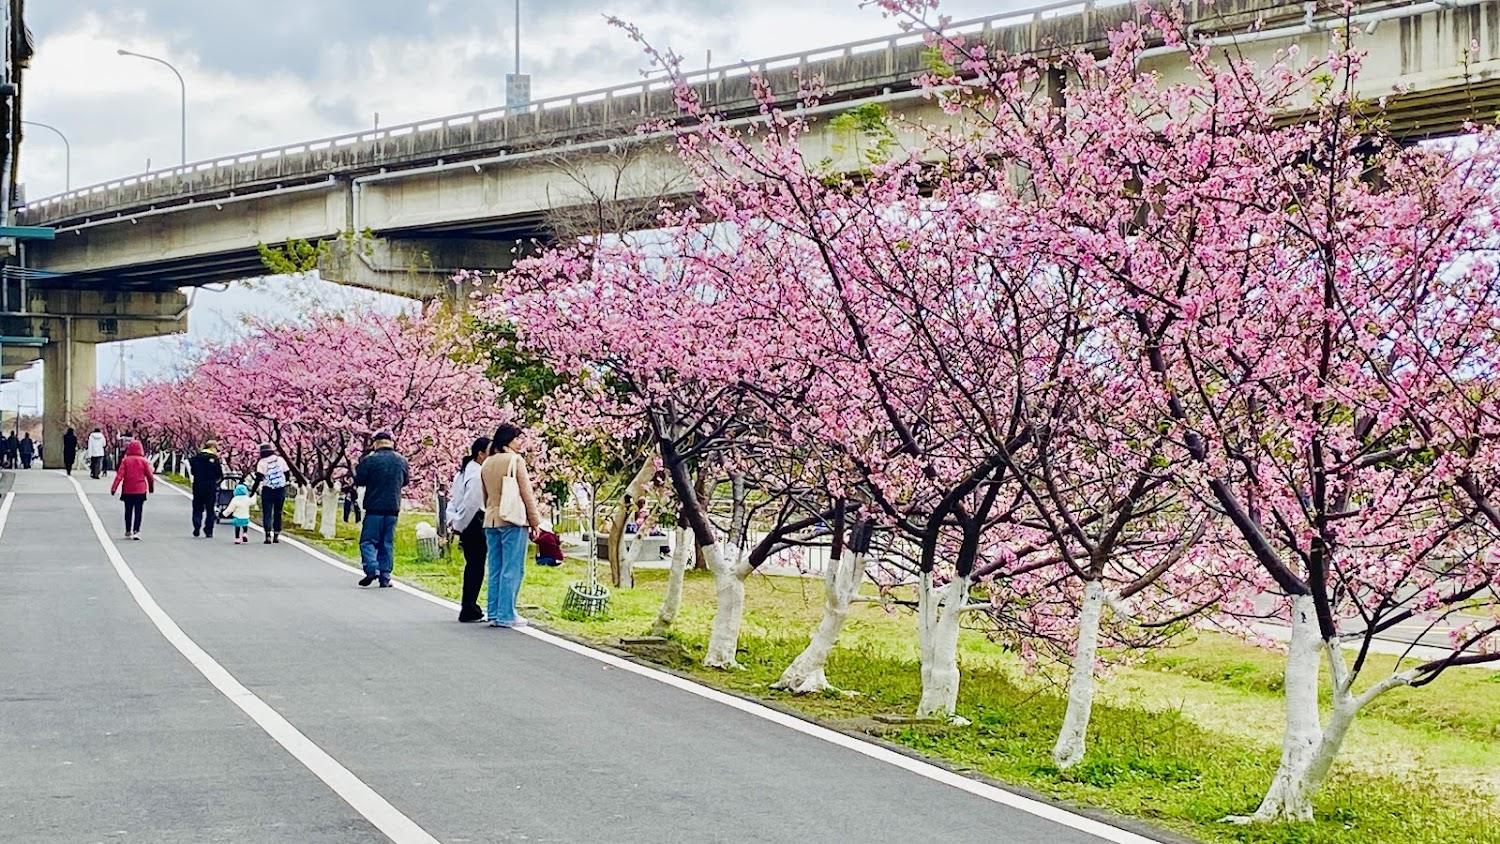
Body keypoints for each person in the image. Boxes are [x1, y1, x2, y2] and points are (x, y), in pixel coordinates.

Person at [480, 423, 541, 627]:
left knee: (495, 568)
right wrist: (534, 521)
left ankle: (494, 612)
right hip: (512, 518)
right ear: (508, 440)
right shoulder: (515, 460)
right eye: (516, 438)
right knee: (512, 568)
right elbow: (526, 494)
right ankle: (507, 614)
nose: (519, 443)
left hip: (491, 519)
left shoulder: (487, 462)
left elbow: (485, 495)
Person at [353, 431, 409, 588]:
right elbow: (405, 481)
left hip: (374, 508)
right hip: (393, 508)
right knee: (387, 543)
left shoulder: (370, 460)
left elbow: (359, 480)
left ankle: (372, 568)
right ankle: (385, 577)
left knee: (368, 541)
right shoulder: (402, 461)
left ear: (375, 443)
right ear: (390, 442)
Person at [446, 436, 491, 622]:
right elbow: (471, 504)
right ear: (480, 454)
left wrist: (453, 521)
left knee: (472, 564)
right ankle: (469, 607)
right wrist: (460, 524)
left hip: (465, 521)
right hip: (474, 522)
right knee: (476, 566)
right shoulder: (477, 475)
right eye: (489, 452)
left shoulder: (464, 471)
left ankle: (469, 605)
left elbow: (454, 501)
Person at [110, 440, 155, 540]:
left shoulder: (126, 461)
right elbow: (150, 476)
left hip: (128, 490)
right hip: (140, 490)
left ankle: (128, 530)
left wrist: (114, 488)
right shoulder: (144, 461)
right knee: (138, 511)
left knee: (128, 511)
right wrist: (151, 488)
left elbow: (119, 476)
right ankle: (136, 531)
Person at [251, 443, 291, 544]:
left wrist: (252, 491)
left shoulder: (262, 462)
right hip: (280, 489)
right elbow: (287, 473)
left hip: (267, 489)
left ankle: (268, 535)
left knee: (267, 512)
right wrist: (286, 482)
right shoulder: (280, 460)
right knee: (278, 512)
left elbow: (258, 478)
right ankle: (276, 534)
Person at [188, 441, 225, 539]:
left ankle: (197, 526)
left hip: (198, 485)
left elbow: (193, 472)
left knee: (197, 507)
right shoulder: (214, 459)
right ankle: (208, 531)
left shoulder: (196, 458)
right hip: (210, 486)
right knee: (210, 509)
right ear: (212, 447)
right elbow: (219, 474)